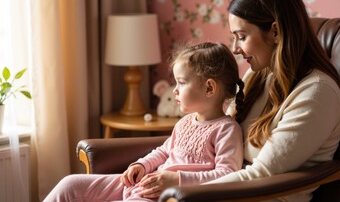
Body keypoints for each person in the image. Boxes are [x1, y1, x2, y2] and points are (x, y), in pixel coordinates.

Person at [44, 42, 245, 201]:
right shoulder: (185, 122)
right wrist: (142, 165)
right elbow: (164, 152)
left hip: (166, 197)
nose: (174, 89)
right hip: (147, 184)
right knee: (70, 185)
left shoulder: (226, 130)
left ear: (209, 88)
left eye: (181, 83)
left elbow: (227, 175)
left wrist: (178, 180)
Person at [205, 0, 340, 202]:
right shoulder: (258, 74)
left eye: (241, 37)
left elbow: (260, 175)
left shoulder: (318, 93)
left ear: (275, 32)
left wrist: (183, 194)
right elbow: (219, 138)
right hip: (226, 189)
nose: (234, 49)